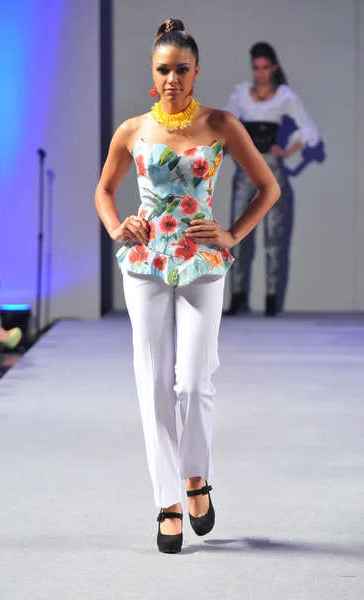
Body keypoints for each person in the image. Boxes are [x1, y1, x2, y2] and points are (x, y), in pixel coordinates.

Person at [94, 19, 280, 554]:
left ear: (196, 71)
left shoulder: (222, 123)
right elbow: (105, 189)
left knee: (195, 382)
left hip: (203, 260)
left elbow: (267, 187)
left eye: (181, 69)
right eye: (162, 70)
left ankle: (196, 478)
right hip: (144, 262)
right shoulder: (132, 130)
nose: (171, 78)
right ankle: (167, 502)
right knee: (153, 384)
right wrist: (116, 227)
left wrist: (232, 234)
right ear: (152, 74)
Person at [224, 42, 319, 316]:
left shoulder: (284, 96)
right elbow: (224, 124)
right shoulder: (241, 93)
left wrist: (288, 151)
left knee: (273, 236)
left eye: (265, 67)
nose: (260, 73)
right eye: (256, 67)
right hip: (245, 169)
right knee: (236, 234)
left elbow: (309, 130)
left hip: (273, 169)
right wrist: (230, 147)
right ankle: (238, 296)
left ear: (273, 67)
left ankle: (270, 299)